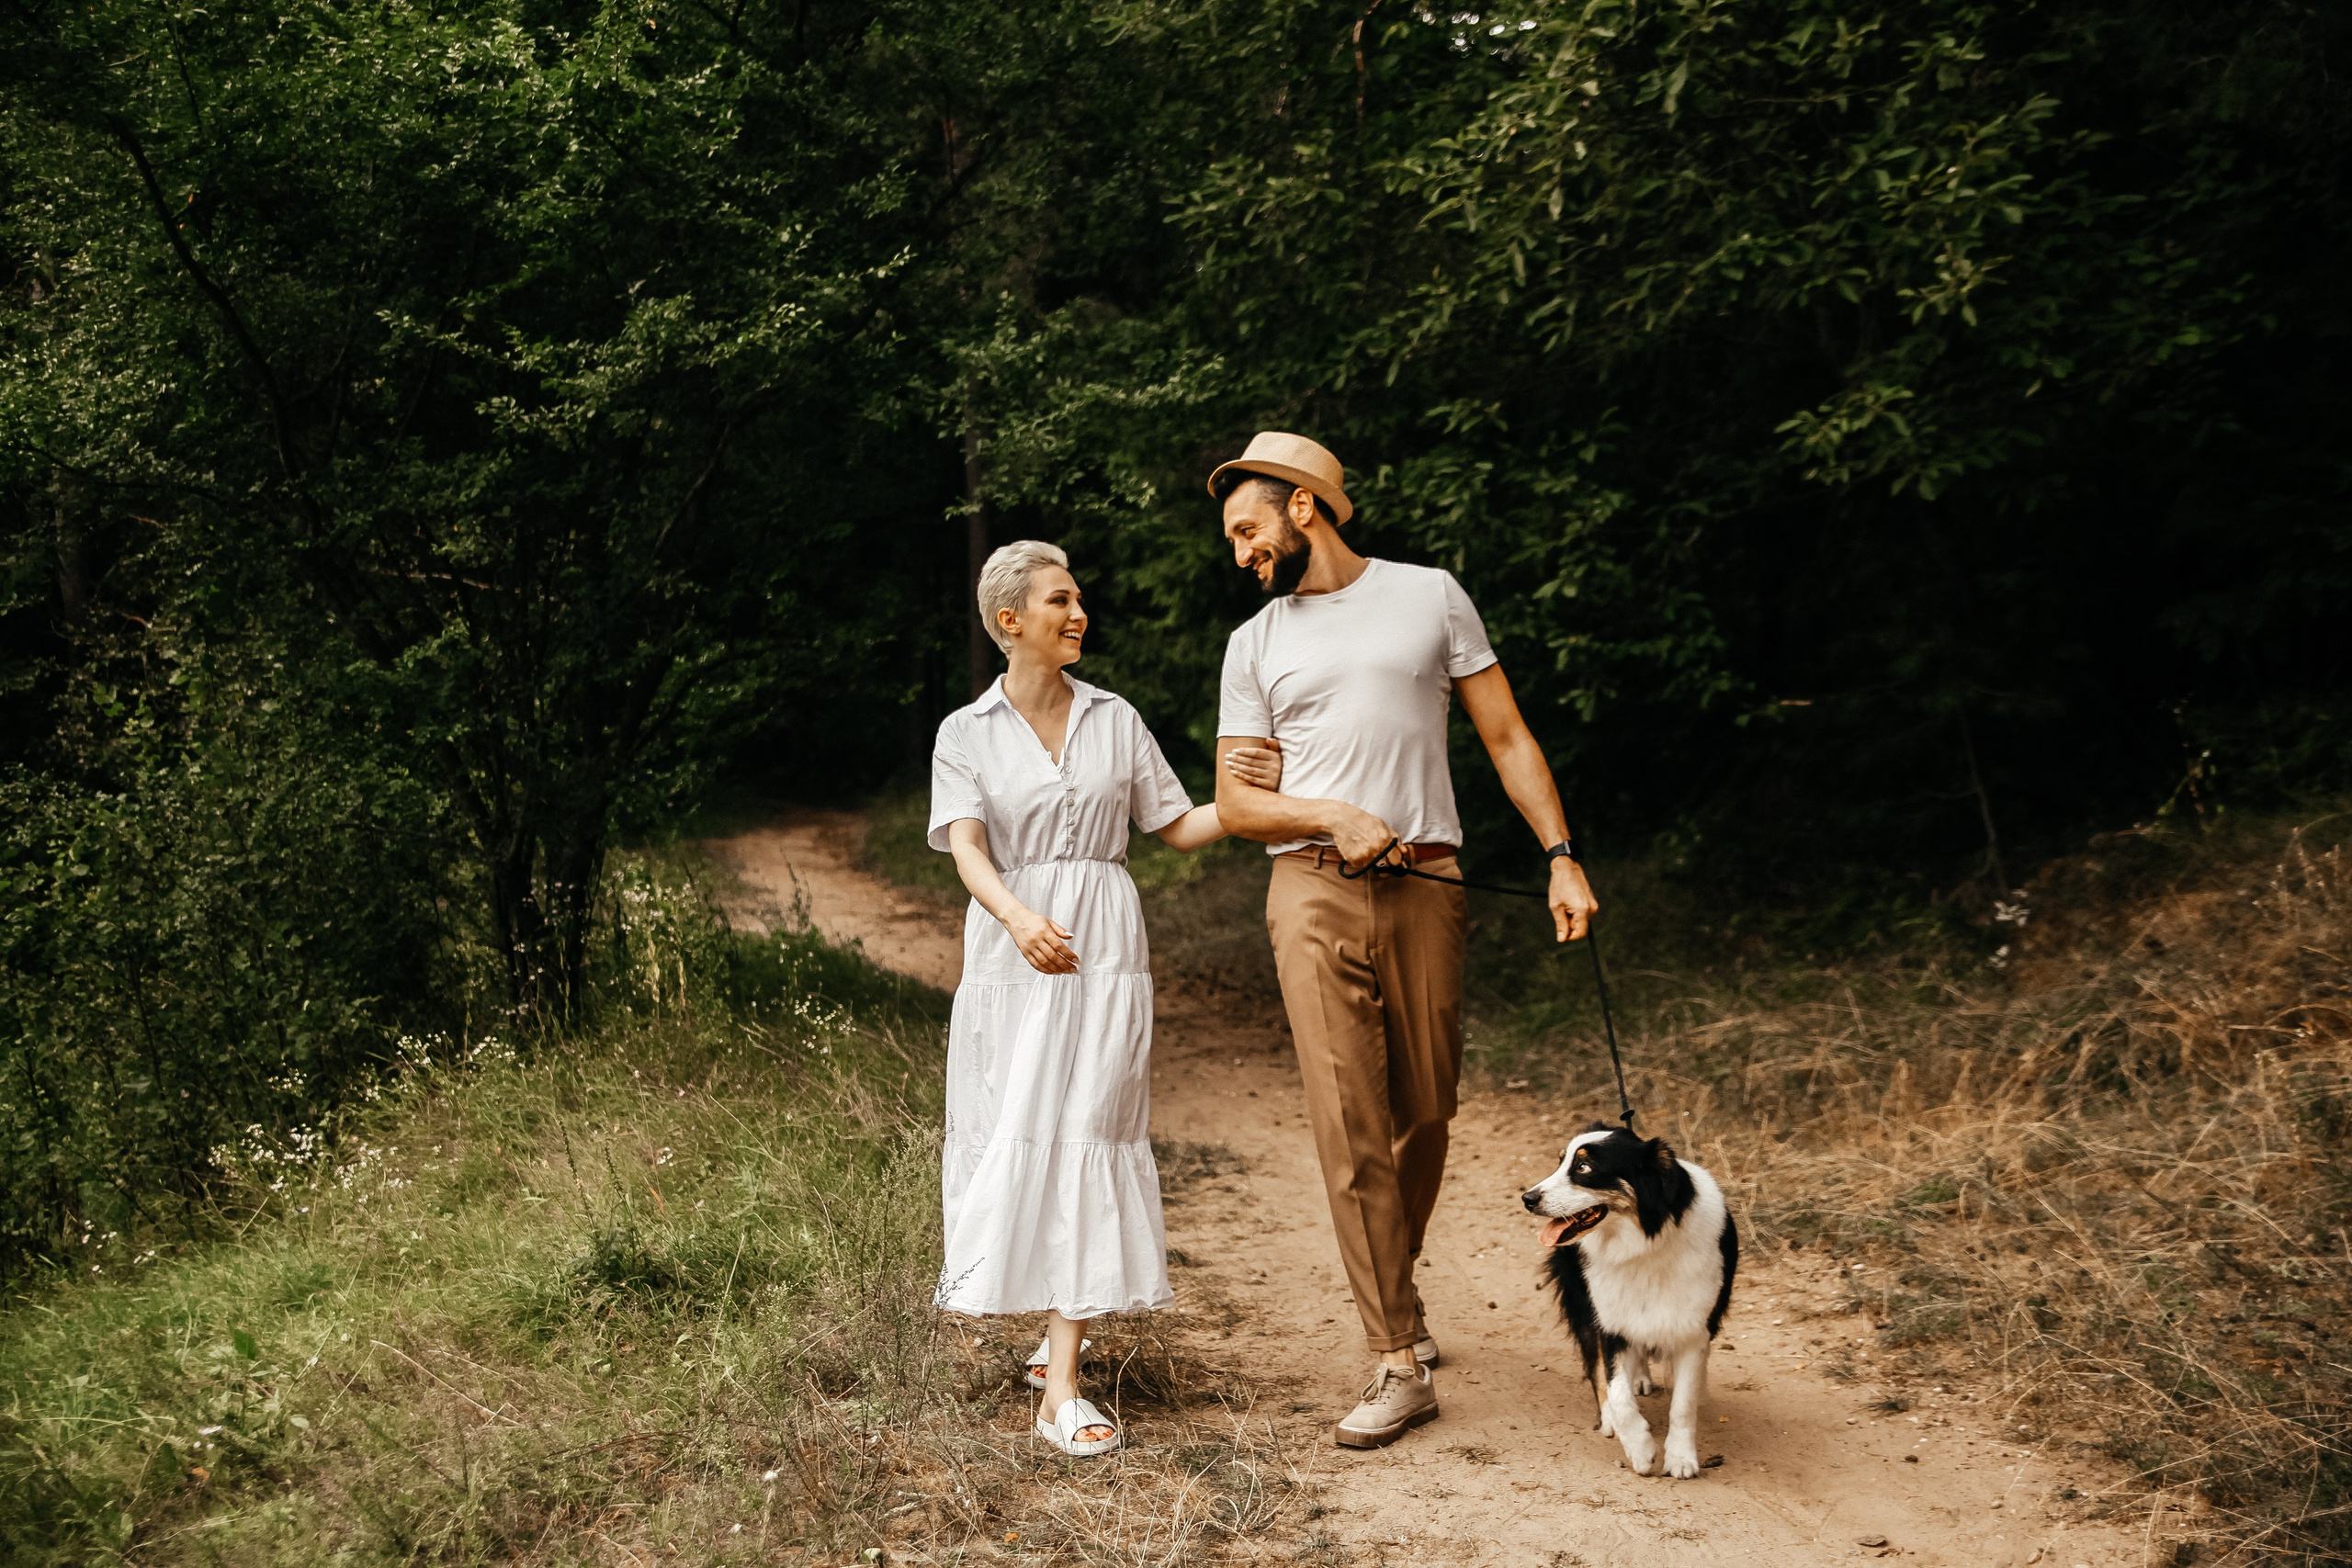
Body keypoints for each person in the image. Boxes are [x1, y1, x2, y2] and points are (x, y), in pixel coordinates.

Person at [1207, 431, 1600, 1449]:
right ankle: (1394, 1355)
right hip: (1310, 889)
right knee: (1348, 1121)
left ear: (1303, 507)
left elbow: (1506, 736)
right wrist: (1331, 814)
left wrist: (1559, 853)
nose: (1240, 554)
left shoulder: (1430, 596)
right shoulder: (1255, 642)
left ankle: (1397, 1287)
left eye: (1249, 529)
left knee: (1426, 1110)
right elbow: (1239, 803)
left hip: (1428, 884)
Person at [928, 538, 1282, 1457]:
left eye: (1079, 599)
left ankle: (1063, 1385)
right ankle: (1051, 1347)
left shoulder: (1115, 719)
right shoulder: (965, 732)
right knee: (1022, 1127)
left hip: (1103, 949)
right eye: (1059, 601)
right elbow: (967, 846)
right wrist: (1015, 917)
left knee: (1090, 1128)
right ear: (1011, 621)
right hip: (1015, 955)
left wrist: (1254, 799)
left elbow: (1177, 826)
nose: (1078, 614)